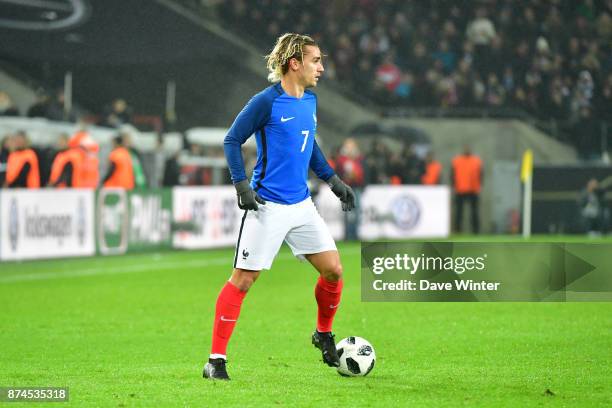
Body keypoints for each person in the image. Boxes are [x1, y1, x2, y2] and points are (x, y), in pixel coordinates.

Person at [203, 33, 355, 380]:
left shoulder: (310, 101)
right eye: (316, 60)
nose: (322, 67)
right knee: (243, 280)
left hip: (302, 205)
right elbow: (231, 139)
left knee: (333, 270)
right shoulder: (265, 102)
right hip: (266, 206)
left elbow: (310, 146)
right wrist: (241, 184)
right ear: (294, 63)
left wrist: (333, 181)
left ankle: (323, 333)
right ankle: (215, 361)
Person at [451, 145, 482, 233]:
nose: (467, 150)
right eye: (465, 148)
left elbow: (481, 174)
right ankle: (457, 230)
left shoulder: (476, 161)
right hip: (460, 189)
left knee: (474, 212)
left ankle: (476, 231)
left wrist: (479, 186)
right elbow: (452, 174)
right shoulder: (457, 161)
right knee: (459, 213)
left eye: (468, 148)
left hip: (473, 189)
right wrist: (454, 186)